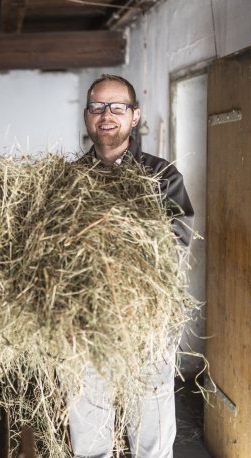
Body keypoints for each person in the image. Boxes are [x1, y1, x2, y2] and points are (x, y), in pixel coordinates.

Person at [69, 74, 194, 457]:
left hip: (147, 318)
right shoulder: (67, 180)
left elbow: (175, 241)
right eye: (97, 107)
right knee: (88, 421)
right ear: (87, 116)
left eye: (117, 107)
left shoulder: (162, 177)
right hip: (85, 320)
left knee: (151, 427)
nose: (107, 115)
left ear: (134, 116)